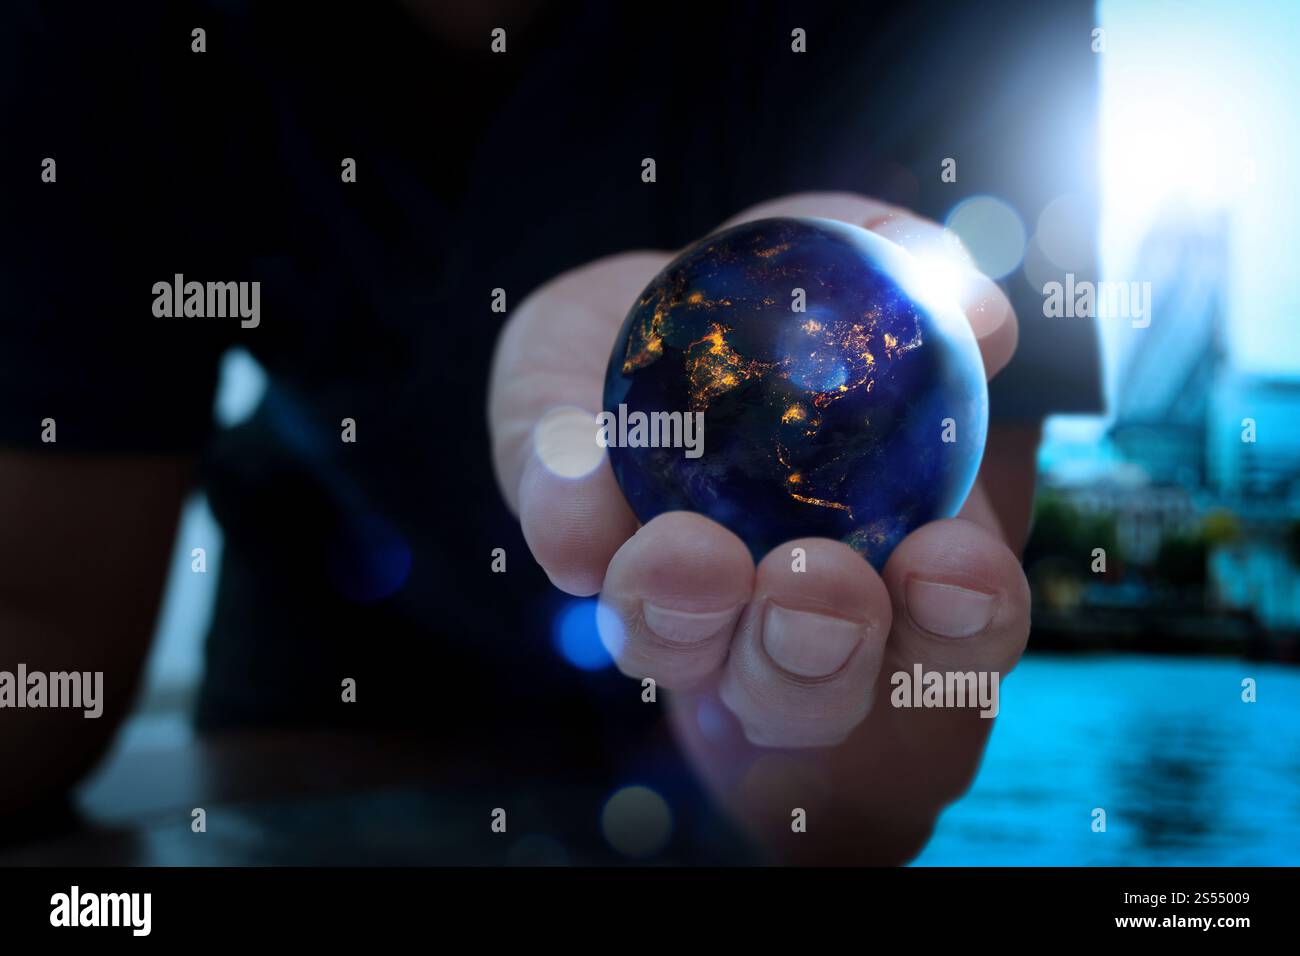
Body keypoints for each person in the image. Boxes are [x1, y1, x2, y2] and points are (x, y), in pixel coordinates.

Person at [0, 0, 1101, 863]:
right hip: (325, 668)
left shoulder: (962, 26)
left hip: (705, 741)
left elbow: (851, 789)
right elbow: (44, 645)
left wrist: (818, 752)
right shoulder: (95, 33)